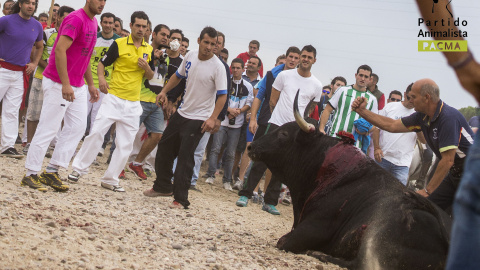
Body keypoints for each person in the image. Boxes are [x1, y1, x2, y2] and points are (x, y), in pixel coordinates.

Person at [414, 1, 480, 268]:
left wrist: (462, 64)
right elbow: (396, 125)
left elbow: (449, 158)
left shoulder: (450, 117)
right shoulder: (429, 116)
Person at [352, 78, 473, 210]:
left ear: (426, 97)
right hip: (457, 174)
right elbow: (391, 125)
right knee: (427, 209)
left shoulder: (448, 118)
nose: (410, 100)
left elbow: (447, 160)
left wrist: (427, 190)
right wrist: (362, 111)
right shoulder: (421, 117)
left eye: (414, 97)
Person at [22, 0, 104, 192]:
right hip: (59, 82)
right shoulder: (75, 19)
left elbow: (86, 56)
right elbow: (59, 50)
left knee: (77, 128)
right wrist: (65, 84)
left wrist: (91, 84)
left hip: (79, 84)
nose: (102, 3)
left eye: (105, 0)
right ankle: (30, 173)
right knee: (49, 128)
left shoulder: (93, 23)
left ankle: (52, 170)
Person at [68, 11, 154, 192]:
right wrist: (101, 79)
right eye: (137, 25)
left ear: (147, 29)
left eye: (144, 26)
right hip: (114, 97)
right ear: (130, 26)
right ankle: (78, 169)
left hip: (133, 103)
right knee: (96, 133)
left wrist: (147, 68)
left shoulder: (149, 49)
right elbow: (102, 64)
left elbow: (151, 76)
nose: (140, 29)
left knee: (125, 144)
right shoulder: (119, 43)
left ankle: (111, 179)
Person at [143, 26, 228, 209]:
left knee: (185, 156)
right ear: (199, 40)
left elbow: (222, 96)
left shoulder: (218, 67)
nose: (209, 47)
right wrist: (164, 92)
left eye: (213, 44)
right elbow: (177, 76)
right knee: (164, 147)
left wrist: (213, 118)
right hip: (182, 112)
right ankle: (163, 186)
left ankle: (181, 199)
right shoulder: (189, 56)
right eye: (206, 42)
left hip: (200, 118)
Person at [236, 45, 322, 215]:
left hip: (295, 131)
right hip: (276, 124)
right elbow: (272, 100)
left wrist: (298, 124)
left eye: (308, 57)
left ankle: (270, 202)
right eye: (303, 56)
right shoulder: (284, 75)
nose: (305, 59)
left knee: (283, 167)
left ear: (314, 60)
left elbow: (311, 108)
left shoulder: (317, 84)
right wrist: (279, 119)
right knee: (261, 159)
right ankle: (245, 194)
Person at [233, 47, 300, 198]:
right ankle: (250, 190)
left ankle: (267, 195)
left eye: (296, 58)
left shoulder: (300, 78)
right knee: (258, 155)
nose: (293, 60)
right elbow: (260, 95)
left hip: (287, 126)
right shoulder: (271, 74)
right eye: (291, 57)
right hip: (266, 120)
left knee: (278, 162)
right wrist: (254, 117)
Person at [24, 5, 74, 154]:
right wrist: (51, 70)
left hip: (61, 82)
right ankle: (30, 143)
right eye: (65, 17)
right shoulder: (47, 33)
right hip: (41, 77)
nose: (68, 21)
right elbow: (35, 54)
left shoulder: (73, 36)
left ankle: (46, 146)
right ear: (57, 17)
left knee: (52, 116)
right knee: (34, 112)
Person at [0, 0, 43, 159]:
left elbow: (40, 46)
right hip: (2, 69)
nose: (30, 6)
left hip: (20, 73)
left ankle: (8, 146)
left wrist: (35, 63)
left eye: (33, 3)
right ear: (20, 4)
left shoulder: (37, 26)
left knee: (11, 111)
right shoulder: (5, 20)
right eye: (27, 2)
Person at [205, 58, 253, 190]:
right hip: (223, 121)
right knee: (215, 148)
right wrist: (229, 110)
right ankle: (211, 175)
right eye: (234, 67)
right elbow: (218, 98)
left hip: (236, 125)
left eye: (238, 68)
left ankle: (227, 180)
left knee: (231, 153)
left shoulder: (248, 86)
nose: (236, 70)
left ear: (243, 69)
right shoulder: (226, 82)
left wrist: (239, 111)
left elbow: (249, 103)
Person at [372, 83, 425, 185]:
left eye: (414, 98)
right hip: (383, 157)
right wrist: (376, 148)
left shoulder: (420, 115)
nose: (411, 101)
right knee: (374, 188)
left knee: (399, 195)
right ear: (405, 94)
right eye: (409, 97)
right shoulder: (390, 106)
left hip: (402, 163)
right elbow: (376, 128)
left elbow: (424, 140)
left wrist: (418, 128)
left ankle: (421, 179)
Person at [319, 65, 378, 150]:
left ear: (369, 79)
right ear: (355, 75)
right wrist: (321, 129)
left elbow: (375, 124)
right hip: (335, 139)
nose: (362, 78)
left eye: (366, 76)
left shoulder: (372, 99)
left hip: (356, 146)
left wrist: (367, 131)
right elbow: (327, 110)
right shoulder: (342, 90)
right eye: (360, 75)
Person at [84, 12, 120, 152]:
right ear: (101, 22)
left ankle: (94, 149)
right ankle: (75, 144)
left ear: (114, 24)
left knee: (98, 119)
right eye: (105, 22)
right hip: (88, 82)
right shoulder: (94, 37)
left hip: (107, 85)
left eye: (110, 23)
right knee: (82, 116)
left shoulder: (118, 42)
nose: (108, 25)